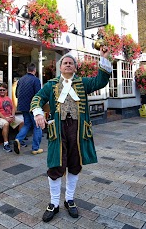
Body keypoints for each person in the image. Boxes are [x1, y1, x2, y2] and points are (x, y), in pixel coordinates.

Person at [31, 47, 112, 222]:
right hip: (58, 131)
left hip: (77, 131)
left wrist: (103, 58)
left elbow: (100, 81)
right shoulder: (51, 85)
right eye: (65, 63)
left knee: (75, 164)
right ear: (60, 68)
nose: (67, 65)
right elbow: (37, 98)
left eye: (71, 63)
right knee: (55, 166)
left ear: (75, 68)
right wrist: (38, 113)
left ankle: (69, 200)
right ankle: (53, 203)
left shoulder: (83, 83)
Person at [13, 63, 43, 155]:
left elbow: (16, 94)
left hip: (22, 106)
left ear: (27, 70)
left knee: (27, 124)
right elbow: (38, 95)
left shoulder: (21, 80)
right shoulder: (36, 80)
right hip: (33, 107)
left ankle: (18, 139)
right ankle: (35, 148)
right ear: (34, 71)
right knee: (37, 126)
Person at [0, 83, 24, 152]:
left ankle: (19, 140)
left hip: (9, 117)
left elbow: (13, 108)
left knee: (21, 122)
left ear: (6, 90)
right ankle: (6, 144)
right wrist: (5, 118)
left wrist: (12, 115)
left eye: (3, 90)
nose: (2, 91)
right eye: (0, 90)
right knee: (6, 124)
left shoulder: (8, 98)